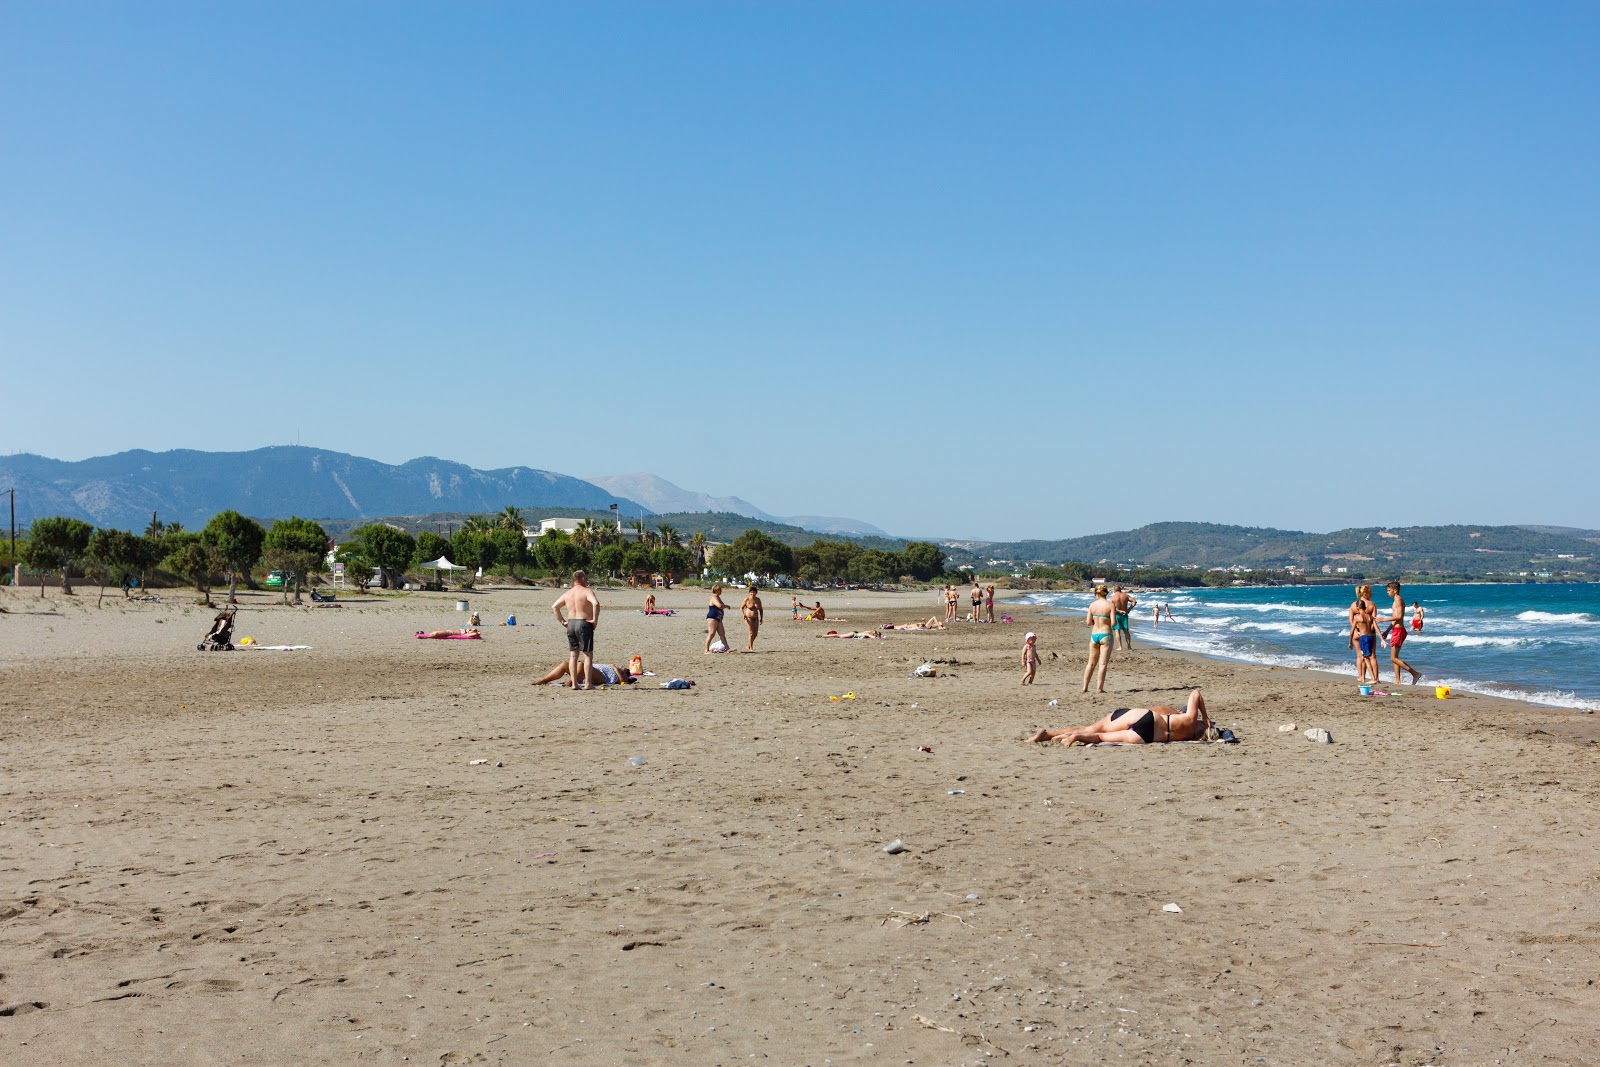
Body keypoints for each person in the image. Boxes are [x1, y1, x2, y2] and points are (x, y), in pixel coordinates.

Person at [1028, 688, 1214, 745]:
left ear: (1203, 726)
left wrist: (1204, 716)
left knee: (1093, 728)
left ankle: (1051, 734)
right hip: (1147, 737)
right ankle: (1071, 737)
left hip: (1145, 717)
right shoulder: (1189, 735)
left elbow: (1196, 693)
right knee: (1099, 737)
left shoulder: (1188, 718)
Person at [552, 570, 602, 689]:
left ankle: (574, 683)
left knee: (573, 655)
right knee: (587, 655)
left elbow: (555, 607)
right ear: (583, 579)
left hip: (571, 623)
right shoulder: (587, 591)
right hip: (583, 623)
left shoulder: (568, 593)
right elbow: (595, 604)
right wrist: (595, 620)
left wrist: (563, 622)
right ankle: (588, 684)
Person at [1383, 581, 1423, 685]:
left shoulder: (1398, 601)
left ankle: (1415, 674)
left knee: (1393, 657)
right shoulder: (1395, 601)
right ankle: (1397, 680)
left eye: (1389, 590)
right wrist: (1387, 631)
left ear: (1395, 590)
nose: (1387, 592)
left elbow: (1399, 617)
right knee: (1394, 658)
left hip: (1399, 631)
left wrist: (1383, 619)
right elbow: (1395, 620)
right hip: (1396, 630)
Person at [1083, 584, 1116, 693]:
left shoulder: (1092, 605)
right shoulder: (1110, 605)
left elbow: (1088, 622)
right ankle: (1099, 688)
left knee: (1090, 663)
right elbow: (1114, 623)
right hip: (1106, 634)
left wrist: (1096, 621)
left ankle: (1085, 687)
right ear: (1106, 593)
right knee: (1102, 663)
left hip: (1094, 635)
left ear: (1096, 593)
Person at [1347, 584, 1380, 683]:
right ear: (1365, 594)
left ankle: (1361, 676)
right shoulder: (1371, 604)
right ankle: (1376, 678)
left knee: (1359, 656)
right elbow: (1374, 620)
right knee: (1372, 656)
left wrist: (1357, 629)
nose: (1371, 595)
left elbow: (1351, 620)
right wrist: (1369, 630)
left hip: (1357, 633)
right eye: (1370, 593)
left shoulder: (1353, 605)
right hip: (1369, 633)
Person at [531, 659, 637, 687]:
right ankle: (544, 680)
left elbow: (622, 682)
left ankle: (570, 682)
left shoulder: (622, 675)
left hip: (602, 677)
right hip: (591, 670)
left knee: (582, 664)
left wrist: (614, 668)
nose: (623, 668)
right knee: (564, 664)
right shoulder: (617, 667)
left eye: (626, 670)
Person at [705, 584, 731, 653]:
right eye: (720, 590)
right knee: (711, 633)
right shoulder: (714, 598)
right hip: (712, 617)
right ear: (716, 590)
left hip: (718, 618)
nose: (721, 591)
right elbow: (719, 606)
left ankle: (727, 648)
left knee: (722, 633)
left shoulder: (718, 597)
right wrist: (726, 606)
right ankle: (706, 650)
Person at [1110, 585, 1137, 650]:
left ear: (1114, 590)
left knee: (1117, 631)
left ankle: (1120, 647)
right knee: (1126, 631)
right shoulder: (1125, 596)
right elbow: (1134, 601)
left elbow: (1111, 607)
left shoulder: (1113, 598)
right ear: (1120, 590)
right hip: (1124, 615)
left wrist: (1119, 611)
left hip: (1117, 615)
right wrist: (1129, 609)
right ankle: (1129, 646)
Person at [741, 586, 764, 651]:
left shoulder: (758, 600)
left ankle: (748, 645)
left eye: (754, 592)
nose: (752, 593)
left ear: (756, 593)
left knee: (755, 633)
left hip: (756, 617)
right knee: (751, 633)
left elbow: (761, 610)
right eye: (751, 592)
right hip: (748, 617)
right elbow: (741, 607)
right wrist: (743, 614)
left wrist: (761, 618)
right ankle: (751, 648)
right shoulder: (747, 599)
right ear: (749, 593)